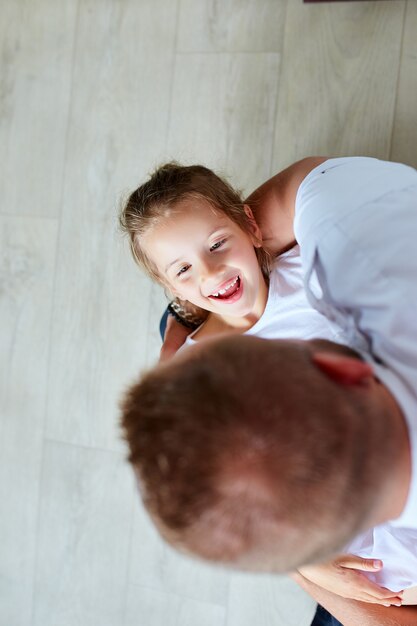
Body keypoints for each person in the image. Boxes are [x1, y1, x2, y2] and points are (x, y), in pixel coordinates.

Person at [120, 157, 417, 625]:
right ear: (167, 285)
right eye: (182, 271)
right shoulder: (197, 364)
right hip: (321, 502)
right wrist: (306, 561)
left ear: (253, 226)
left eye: (218, 244)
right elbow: (221, 491)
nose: (211, 272)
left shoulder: (304, 265)